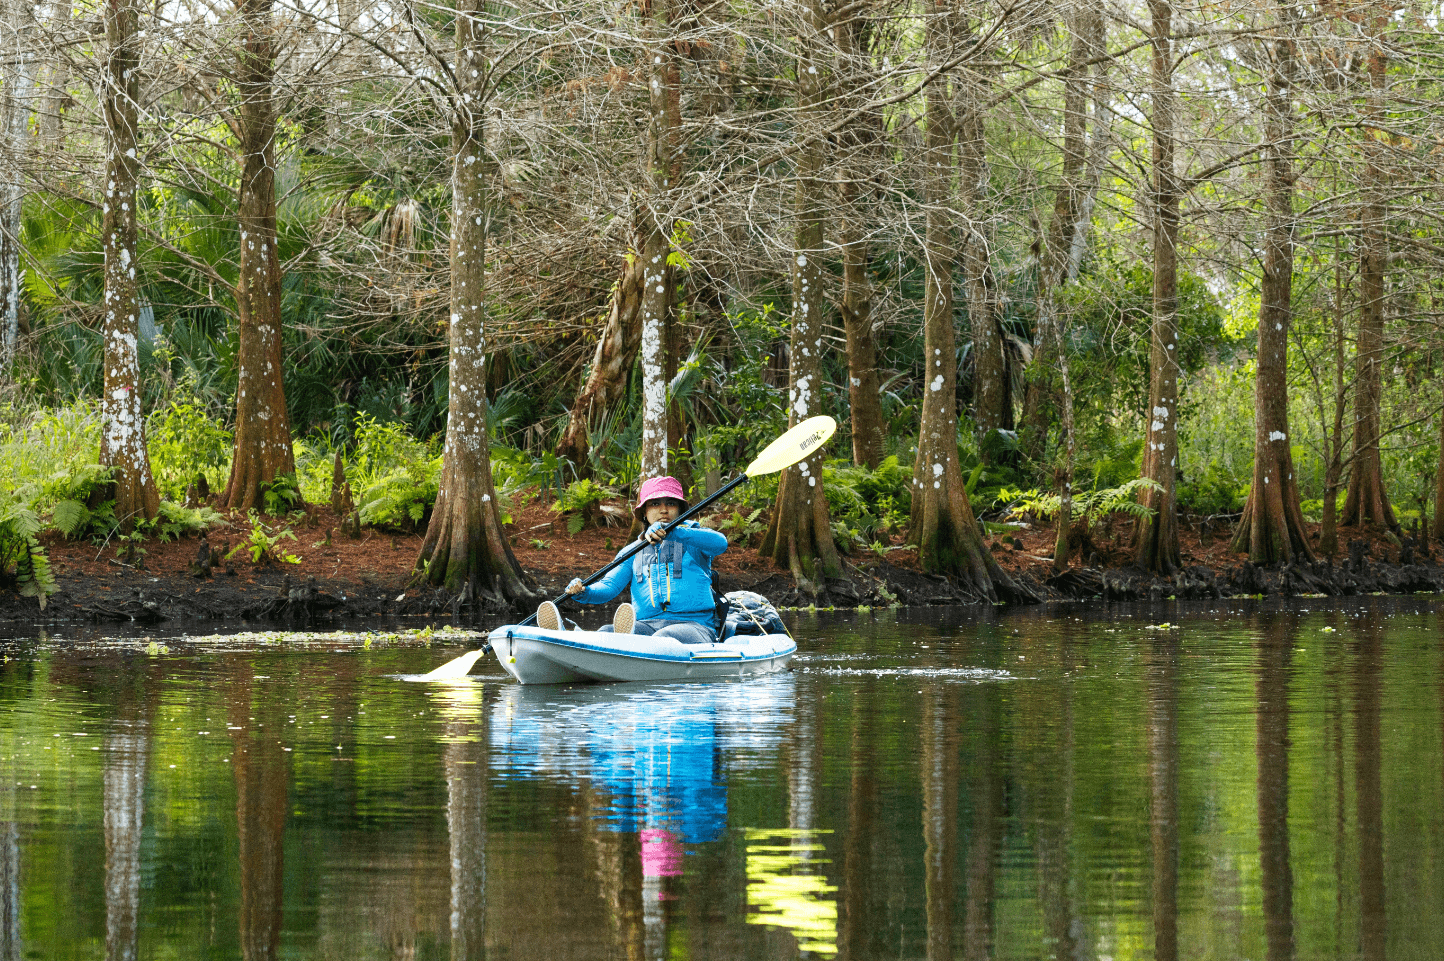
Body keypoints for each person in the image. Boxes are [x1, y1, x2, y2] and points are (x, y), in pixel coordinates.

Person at [536, 476, 728, 644]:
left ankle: (629, 648)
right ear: (644, 512)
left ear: (679, 510)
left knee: (665, 636)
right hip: (646, 625)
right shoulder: (632, 551)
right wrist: (584, 591)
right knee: (606, 632)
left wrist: (677, 533)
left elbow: (720, 543)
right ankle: (567, 640)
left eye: (670, 503)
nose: (663, 510)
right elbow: (609, 587)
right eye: (655, 504)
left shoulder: (692, 538)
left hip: (694, 626)